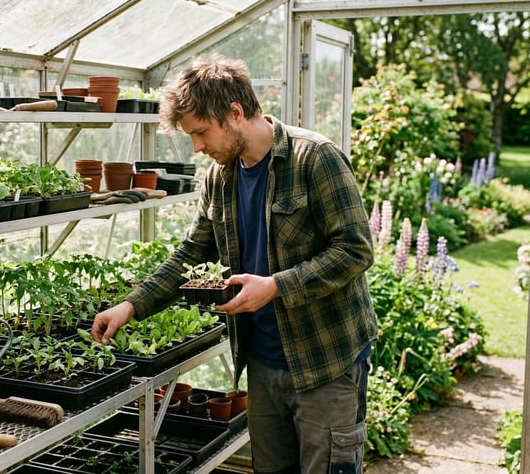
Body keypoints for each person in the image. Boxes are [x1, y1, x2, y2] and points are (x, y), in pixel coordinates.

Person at [91, 53, 377, 473]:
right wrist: (130, 305)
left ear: (235, 113)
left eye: (202, 132)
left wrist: (276, 285)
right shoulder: (219, 178)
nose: (197, 147)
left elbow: (355, 249)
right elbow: (192, 252)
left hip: (325, 362)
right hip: (262, 363)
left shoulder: (314, 158)